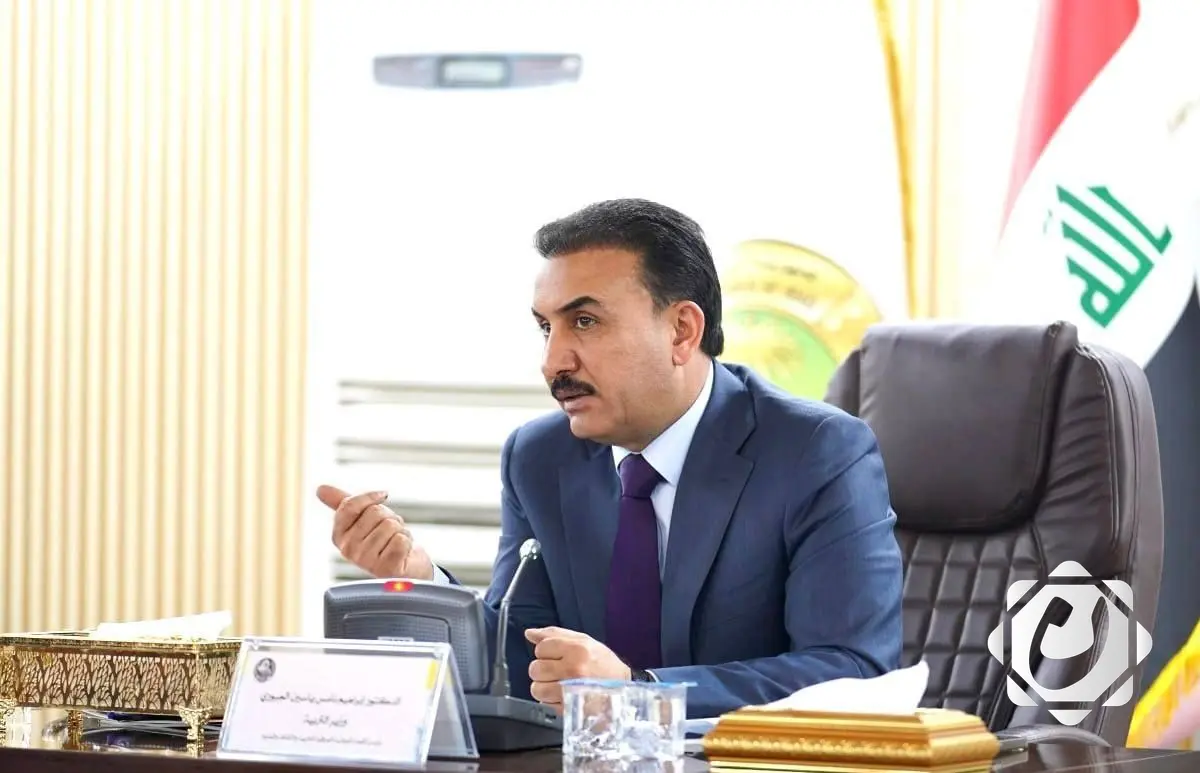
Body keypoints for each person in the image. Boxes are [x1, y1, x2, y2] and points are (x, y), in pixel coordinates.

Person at [317, 198, 904, 719]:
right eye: (545, 328)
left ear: (682, 331)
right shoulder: (540, 457)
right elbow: (519, 656)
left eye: (585, 322)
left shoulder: (815, 452)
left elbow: (852, 669)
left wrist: (638, 692)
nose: (553, 361)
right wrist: (420, 580)